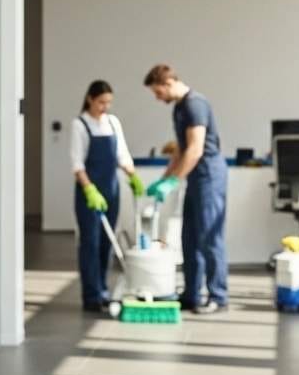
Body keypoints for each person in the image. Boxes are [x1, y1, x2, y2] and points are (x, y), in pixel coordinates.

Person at [144, 64, 228, 314]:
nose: (158, 99)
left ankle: (218, 296)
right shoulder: (179, 108)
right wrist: (164, 177)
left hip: (209, 176)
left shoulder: (195, 104)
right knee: (189, 236)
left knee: (210, 237)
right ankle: (191, 294)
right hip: (195, 177)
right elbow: (180, 149)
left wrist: (174, 181)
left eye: (158, 93)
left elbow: (195, 149)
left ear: (167, 83)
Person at [73, 80, 144, 312]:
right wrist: (89, 189)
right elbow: (77, 164)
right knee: (90, 243)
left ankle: (103, 290)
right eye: (101, 102)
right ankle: (91, 296)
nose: (105, 106)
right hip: (89, 193)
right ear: (90, 99)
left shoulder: (113, 123)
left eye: (109, 102)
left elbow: (122, 154)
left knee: (107, 243)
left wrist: (132, 176)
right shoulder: (80, 124)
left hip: (111, 190)